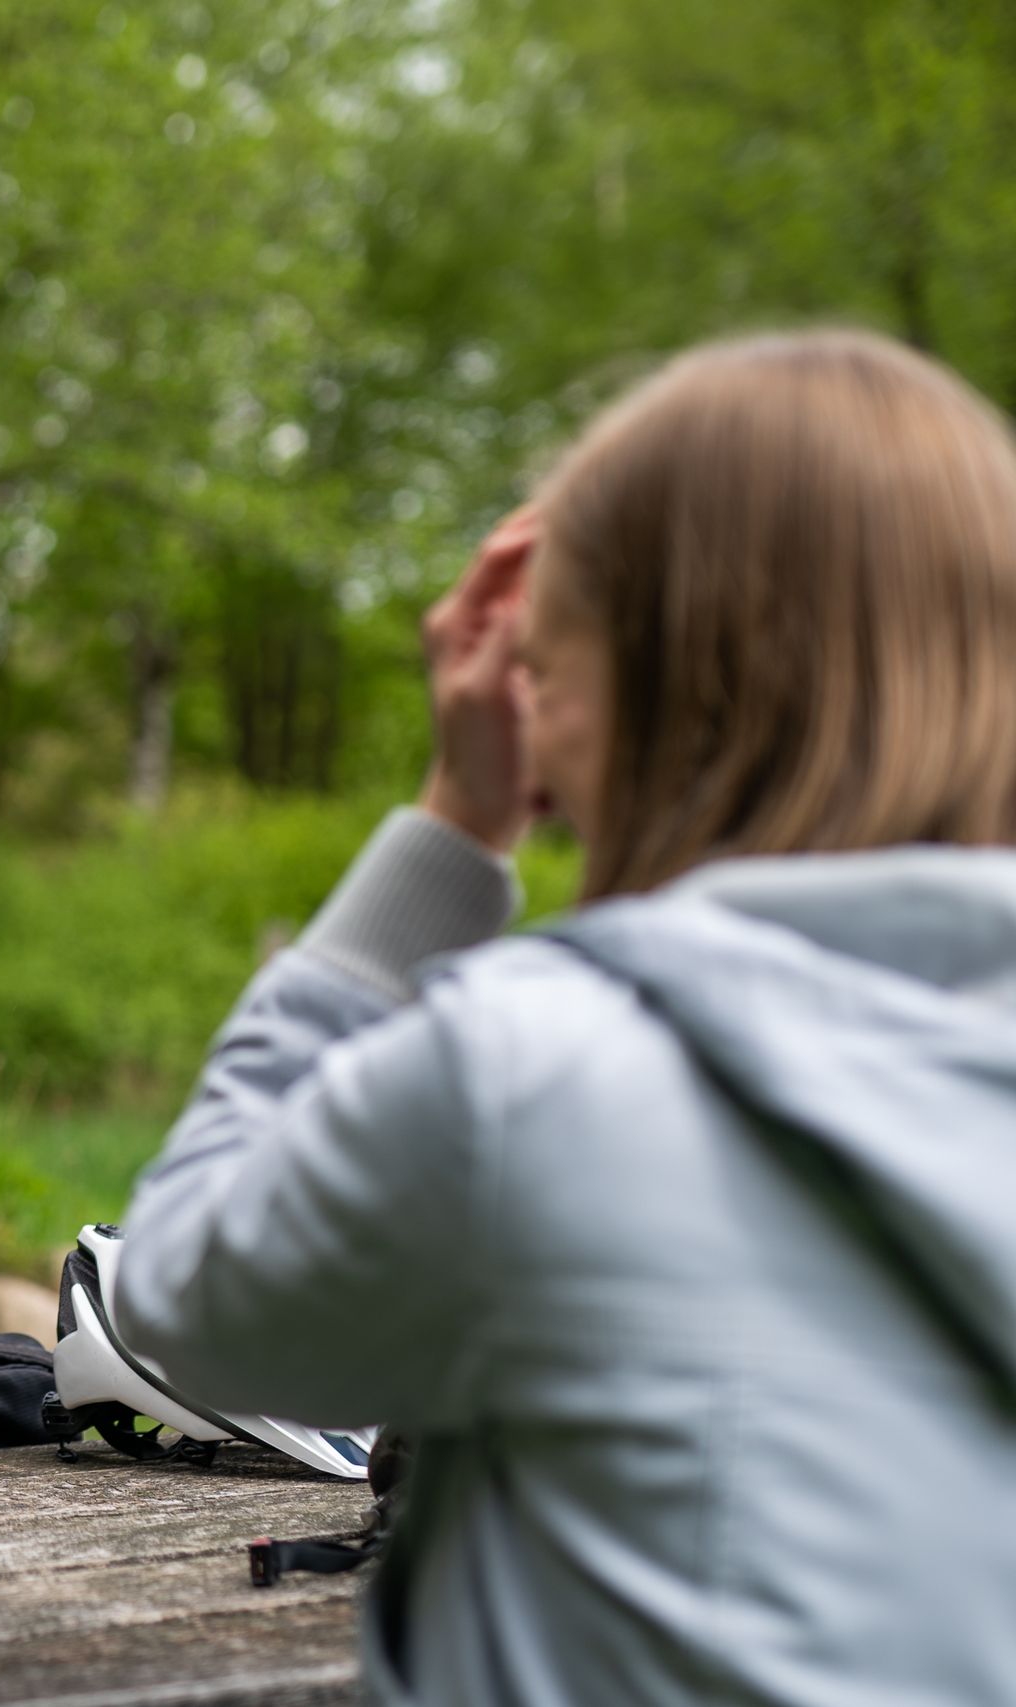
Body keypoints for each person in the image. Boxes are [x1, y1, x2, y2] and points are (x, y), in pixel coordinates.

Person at [113, 330, 1016, 1704]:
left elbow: (183, 1299)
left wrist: (454, 826)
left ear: (625, 687)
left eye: (553, 654)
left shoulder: (540, 1073)